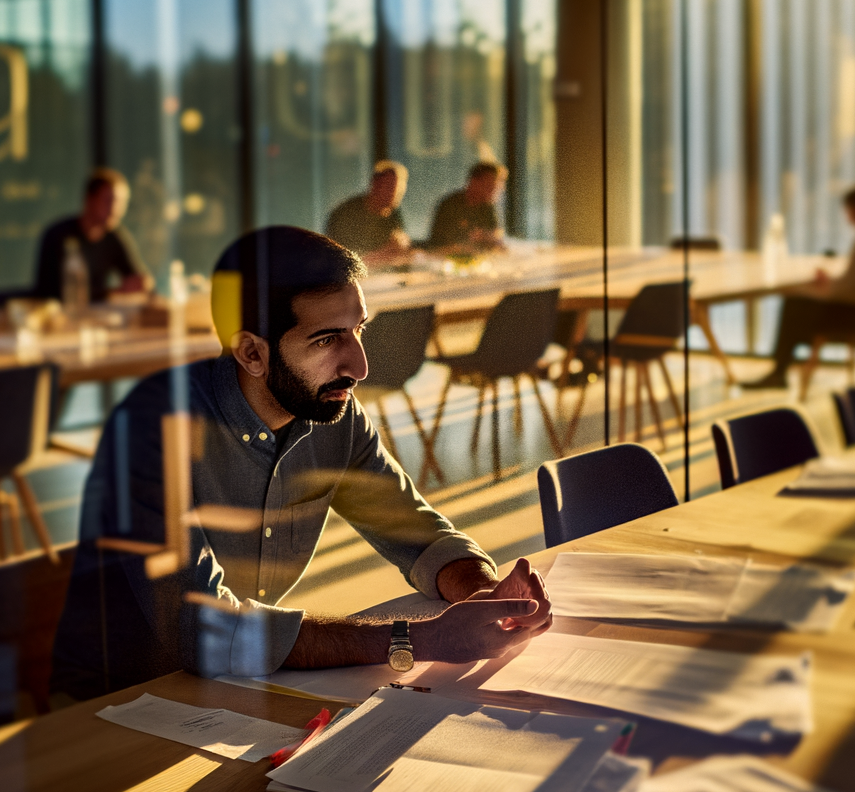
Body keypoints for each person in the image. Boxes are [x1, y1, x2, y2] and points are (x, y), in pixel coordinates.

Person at [50, 226, 552, 699]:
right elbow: (203, 629)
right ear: (251, 353)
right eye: (327, 340)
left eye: (358, 330)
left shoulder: (332, 413)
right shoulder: (149, 429)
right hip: (124, 700)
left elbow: (417, 533)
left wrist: (485, 595)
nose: (359, 367)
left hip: (241, 687)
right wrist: (415, 640)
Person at [741, 184, 855, 391]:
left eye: (850, 211)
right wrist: (829, 283)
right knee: (798, 303)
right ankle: (780, 370)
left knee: (794, 305)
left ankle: (779, 371)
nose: (848, 217)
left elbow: (844, 289)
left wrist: (812, 288)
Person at [32, 169, 153, 303]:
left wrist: (143, 283)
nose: (115, 208)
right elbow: (54, 292)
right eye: (109, 200)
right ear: (89, 199)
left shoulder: (115, 236)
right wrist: (113, 292)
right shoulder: (58, 235)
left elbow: (138, 278)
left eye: (121, 202)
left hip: (98, 316)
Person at [324, 161, 414, 264]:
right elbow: (344, 264)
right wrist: (385, 254)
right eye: (389, 186)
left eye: (399, 188)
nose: (394, 193)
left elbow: (400, 246)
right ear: (375, 184)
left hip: (383, 276)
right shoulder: (347, 215)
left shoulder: (392, 214)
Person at [425, 162, 508, 253]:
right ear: (474, 181)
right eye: (490, 185)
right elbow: (439, 246)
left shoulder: (487, 206)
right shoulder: (450, 205)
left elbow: (496, 236)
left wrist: (488, 237)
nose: (497, 190)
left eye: (499, 185)